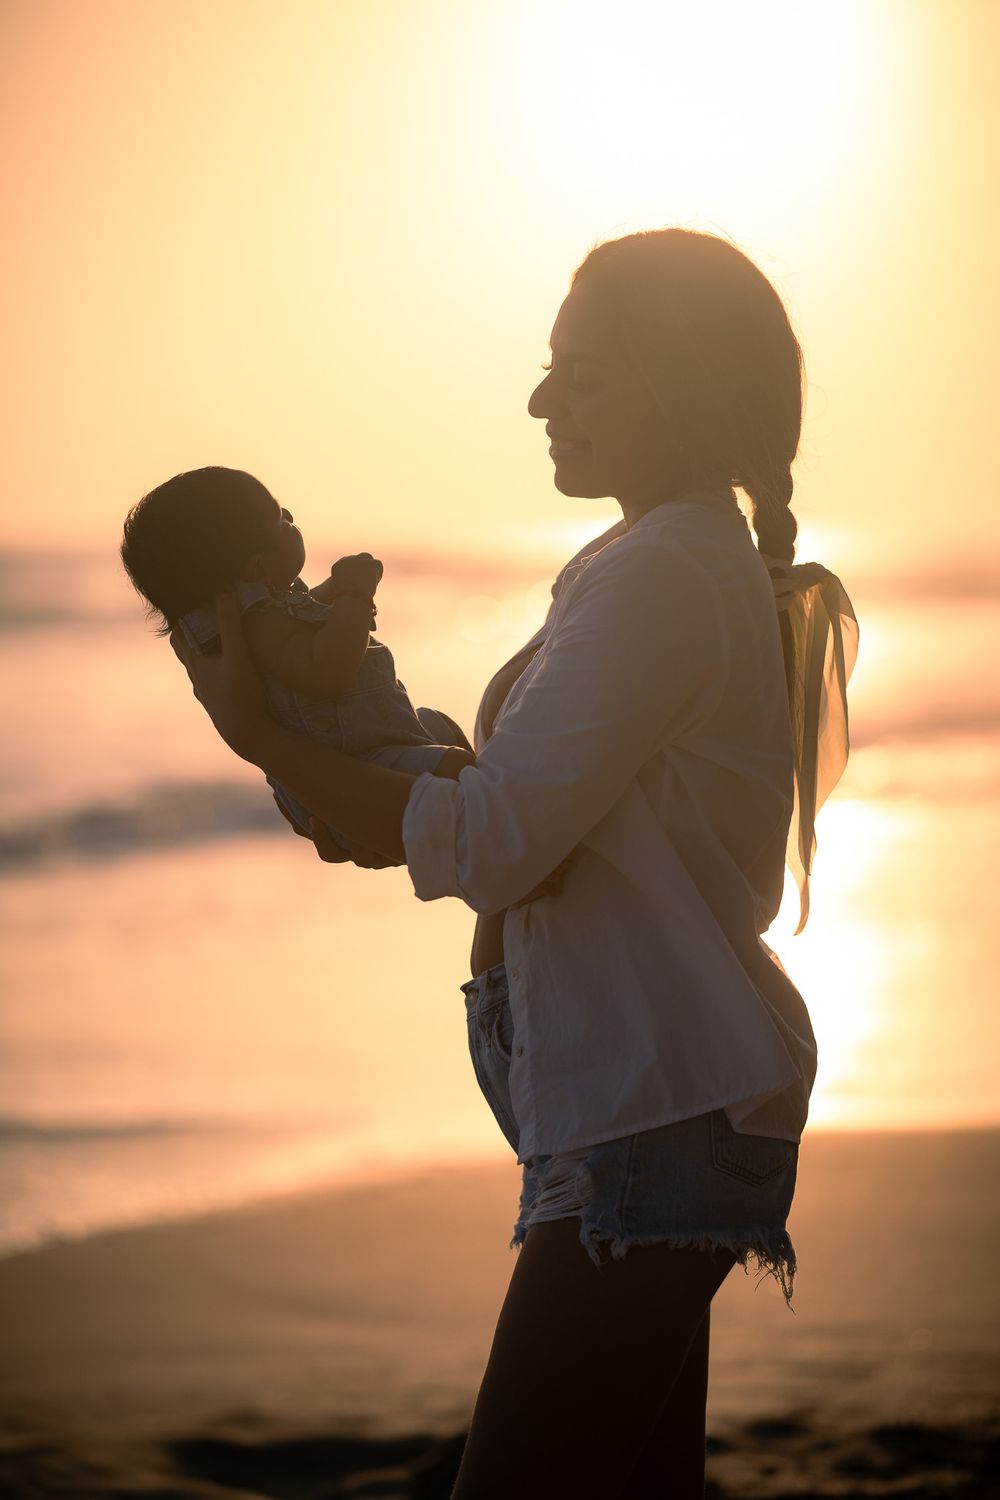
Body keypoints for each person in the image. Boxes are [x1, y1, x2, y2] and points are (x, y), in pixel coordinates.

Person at [170, 228, 859, 1499]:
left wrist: (259, 734)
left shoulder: (659, 573)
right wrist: (396, 777)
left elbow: (494, 848)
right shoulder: (648, 558)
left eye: (580, 373)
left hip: (655, 1114)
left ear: (683, 385)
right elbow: (541, 820)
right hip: (647, 1106)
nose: (543, 400)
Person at [120, 466, 475, 845]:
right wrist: (355, 598)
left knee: (441, 728)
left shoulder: (267, 612)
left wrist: (334, 591)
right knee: (461, 770)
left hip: (368, 744)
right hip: (355, 766)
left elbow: (302, 616)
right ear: (258, 565)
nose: (291, 518)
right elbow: (326, 670)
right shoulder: (257, 624)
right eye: (280, 519)